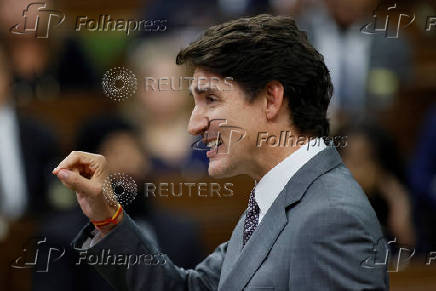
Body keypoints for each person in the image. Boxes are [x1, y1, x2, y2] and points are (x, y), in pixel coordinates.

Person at [53, 14, 388, 290]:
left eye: (210, 99)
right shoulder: (276, 198)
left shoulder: (331, 218)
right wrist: (106, 216)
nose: (194, 124)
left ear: (271, 99)